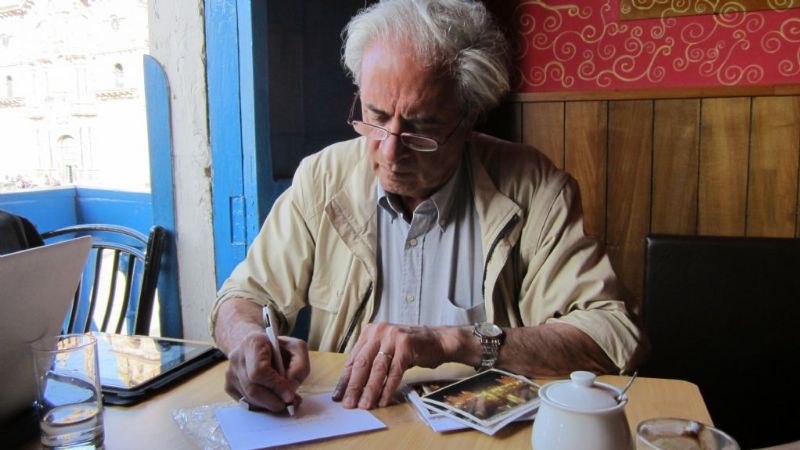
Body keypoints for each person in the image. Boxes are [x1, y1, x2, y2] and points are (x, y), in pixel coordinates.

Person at [210, 0, 645, 414]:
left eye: (421, 129)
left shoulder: (535, 189)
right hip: (350, 424)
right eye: (376, 116)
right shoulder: (322, 179)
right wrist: (249, 339)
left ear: (469, 119)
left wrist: (454, 342)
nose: (390, 151)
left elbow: (611, 334)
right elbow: (244, 297)